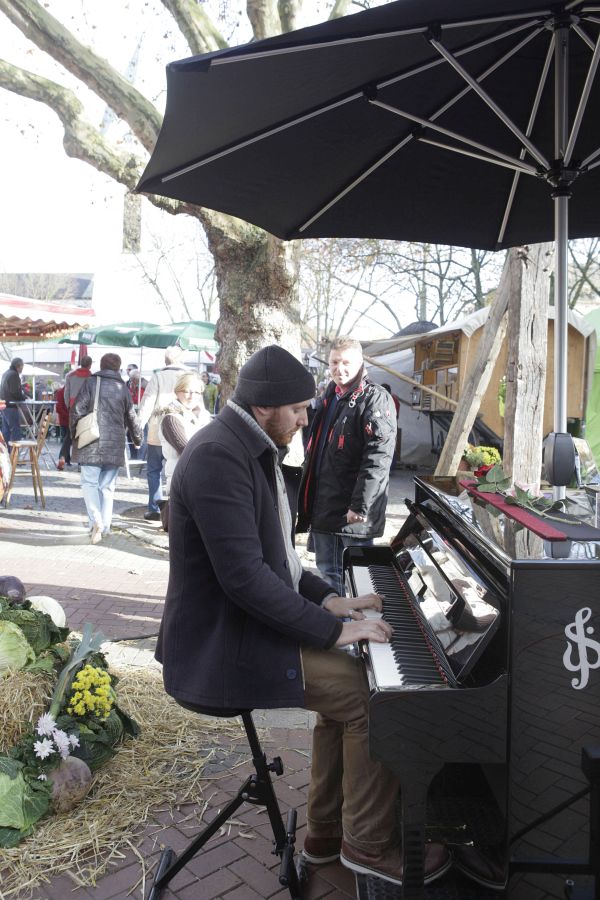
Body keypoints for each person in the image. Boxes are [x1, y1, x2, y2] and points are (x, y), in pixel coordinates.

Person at [155, 345, 450, 887]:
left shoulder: (247, 446)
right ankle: (367, 844)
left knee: (355, 682)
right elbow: (245, 580)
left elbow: (281, 564)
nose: (305, 420)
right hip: (221, 647)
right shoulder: (219, 456)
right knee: (370, 698)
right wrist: (334, 630)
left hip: (244, 627)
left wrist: (329, 599)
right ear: (265, 407)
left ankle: (326, 832)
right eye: (297, 410)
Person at [298, 336, 397, 596]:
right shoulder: (329, 396)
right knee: (328, 574)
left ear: (360, 363)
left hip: (351, 514)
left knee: (356, 580)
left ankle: (352, 622)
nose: (339, 368)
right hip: (325, 506)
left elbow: (378, 458)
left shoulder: (375, 399)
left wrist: (361, 505)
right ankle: (338, 621)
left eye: (345, 363)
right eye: (334, 362)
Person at [71, 353, 142, 544]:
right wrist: (137, 438)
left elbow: (76, 410)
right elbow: (132, 416)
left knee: (89, 483)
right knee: (107, 487)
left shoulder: (91, 383)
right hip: (115, 444)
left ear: (101, 365)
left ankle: (96, 521)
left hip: (90, 441)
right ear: (118, 367)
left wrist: (73, 435)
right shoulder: (123, 388)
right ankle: (106, 526)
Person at [137, 346, 187, 521]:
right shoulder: (189, 376)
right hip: (182, 431)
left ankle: (155, 508)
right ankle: (178, 508)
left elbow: (147, 403)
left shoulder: (158, 377)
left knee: (154, 470)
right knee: (180, 469)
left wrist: (138, 427)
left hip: (158, 431)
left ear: (166, 360)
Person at [158, 372, 211, 496]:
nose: (192, 396)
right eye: (187, 391)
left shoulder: (204, 416)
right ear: (177, 392)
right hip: (183, 481)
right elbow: (187, 451)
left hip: (204, 479)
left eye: (197, 392)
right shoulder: (171, 418)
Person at [0, 357, 26, 448]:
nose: (22, 368)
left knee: (6, 431)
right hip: (11, 406)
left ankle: (6, 453)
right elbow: (15, 392)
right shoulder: (14, 375)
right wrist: (23, 397)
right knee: (15, 431)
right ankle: (15, 453)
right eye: (22, 366)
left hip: (4, 406)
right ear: (19, 366)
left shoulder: (5, 373)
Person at [54, 385, 71, 470]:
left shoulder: (60, 392)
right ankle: (64, 458)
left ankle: (65, 459)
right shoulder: (62, 392)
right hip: (68, 420)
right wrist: (69, 416)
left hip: (64, 420)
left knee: (66, 439)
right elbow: (59, 408)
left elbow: (58, 408)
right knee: (68, 439)